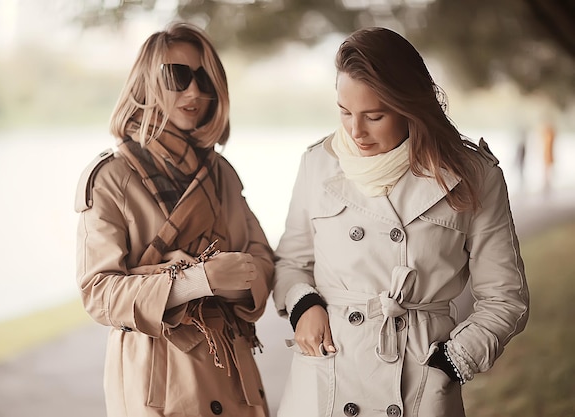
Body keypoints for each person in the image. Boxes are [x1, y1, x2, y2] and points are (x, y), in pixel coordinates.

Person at [273, 27, 529, 417]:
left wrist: (455, 361)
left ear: (410, 106)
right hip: (327, 377)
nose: (355, 131)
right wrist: (303, 306)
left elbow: (505, 298)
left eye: (374, 116)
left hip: (420, 380)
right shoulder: (318, 163)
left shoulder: (473, 175)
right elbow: (290, 262)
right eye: (344, 112)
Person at [74, 22, 274, 417]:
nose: (194, 92)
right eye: (177, 76)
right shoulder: (111, 177)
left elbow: (263, 262)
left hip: (234, 375)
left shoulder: (222, 173)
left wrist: (230, 279)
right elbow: (98, 292)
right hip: (158, 381)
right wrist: (198, 281)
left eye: (204, 79)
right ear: (147, 83)